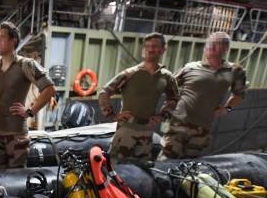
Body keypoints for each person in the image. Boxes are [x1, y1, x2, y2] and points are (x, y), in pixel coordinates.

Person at [157, 32, 247, 160]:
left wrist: (227, 108)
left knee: (189, 165)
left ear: (226, 48)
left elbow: (240, 94)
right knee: (165, 160)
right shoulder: (190, 67)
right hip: (178, 124)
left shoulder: (235, 71)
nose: (211, 47)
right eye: (210, 43)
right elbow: (170, 86)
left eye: (216, 44)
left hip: (202, 129)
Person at [98, 32, 179, 163]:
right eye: (147, 46)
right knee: (115, 166)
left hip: (147, 132)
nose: (150, 49)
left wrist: (162, 116)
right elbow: (104, 93)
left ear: (163, 50)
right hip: (126, 130)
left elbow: (174, 98)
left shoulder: (166, 76)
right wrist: (112, 115)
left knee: (141, 167)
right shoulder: (130, 74)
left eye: (155, 46)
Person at [0, 22, 56, 169]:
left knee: (16, 178)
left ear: (13, 41)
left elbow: (49, 89)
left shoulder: (26, 65)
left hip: (16, 136)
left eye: (2, 37)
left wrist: (30, 111)